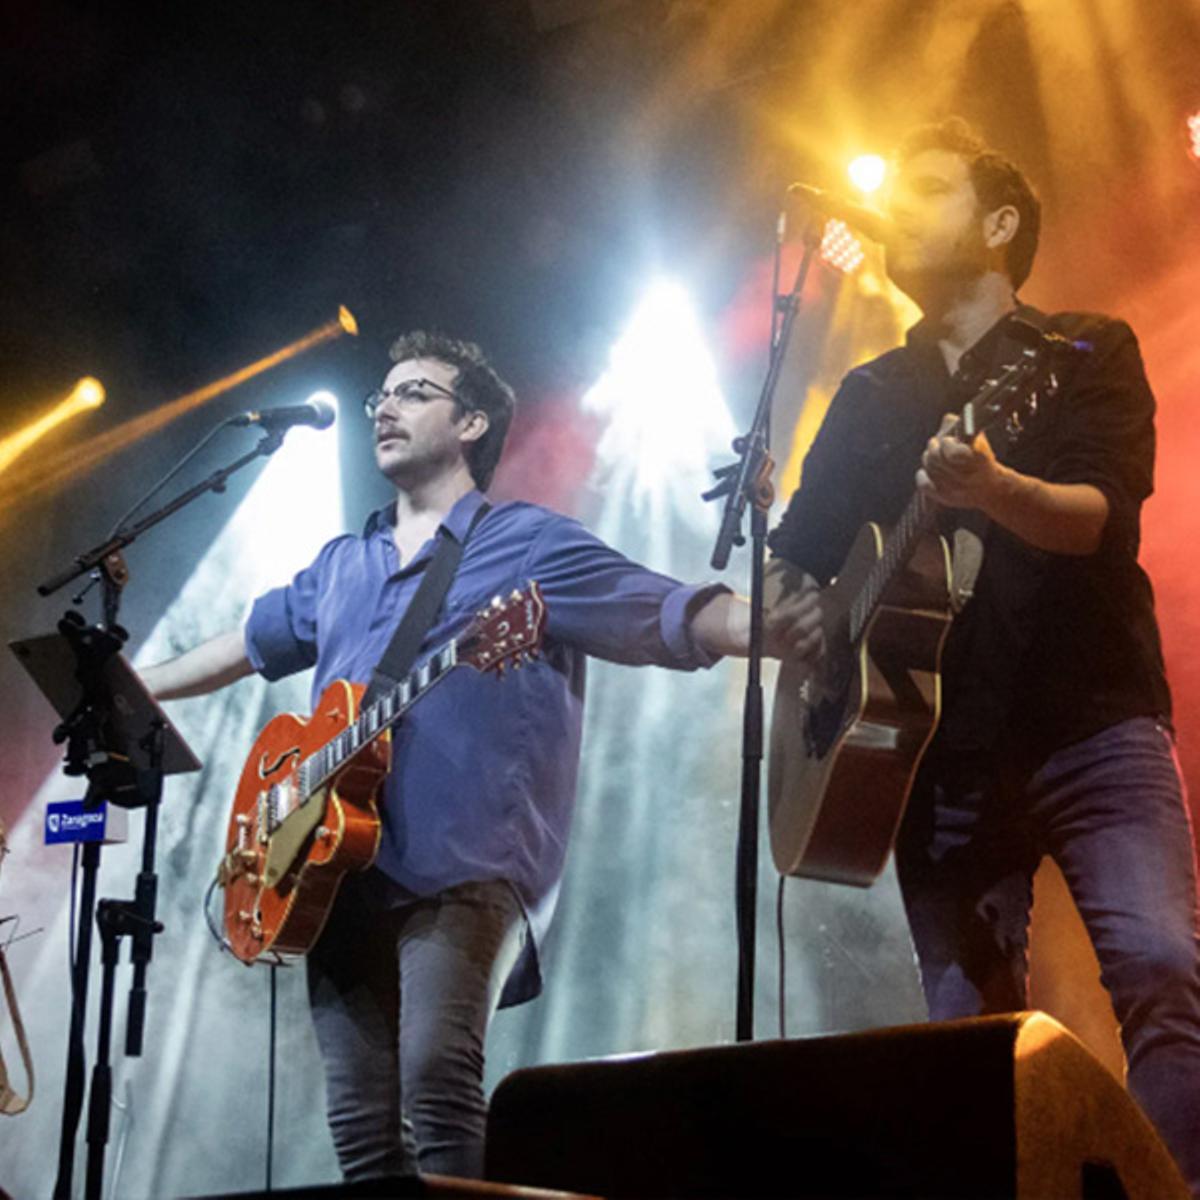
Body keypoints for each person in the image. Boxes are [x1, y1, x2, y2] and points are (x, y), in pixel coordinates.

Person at [140, 330, 761, 1182]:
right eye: (380, 396)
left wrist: (765, 628)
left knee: (436, 1079)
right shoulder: (343, 564)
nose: (385, 407)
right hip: (333, 872)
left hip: (465, 862)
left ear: (471, 423)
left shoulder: (527, 543)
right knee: (360, 1130)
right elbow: (246, 642)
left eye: (414, 392)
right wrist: (140, 687)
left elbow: (659, 608)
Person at [765, 118, 1200, 1194]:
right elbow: (793, 559)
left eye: (928, 188)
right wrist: (806, 625)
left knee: (1159, 972)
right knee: (969, 1035)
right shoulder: (869, 395)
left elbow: (1100, 518)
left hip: (1090, 721)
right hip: (931, 756)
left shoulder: (1083, 349)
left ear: (1001, 225)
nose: (899, 208)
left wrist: (992, 489)